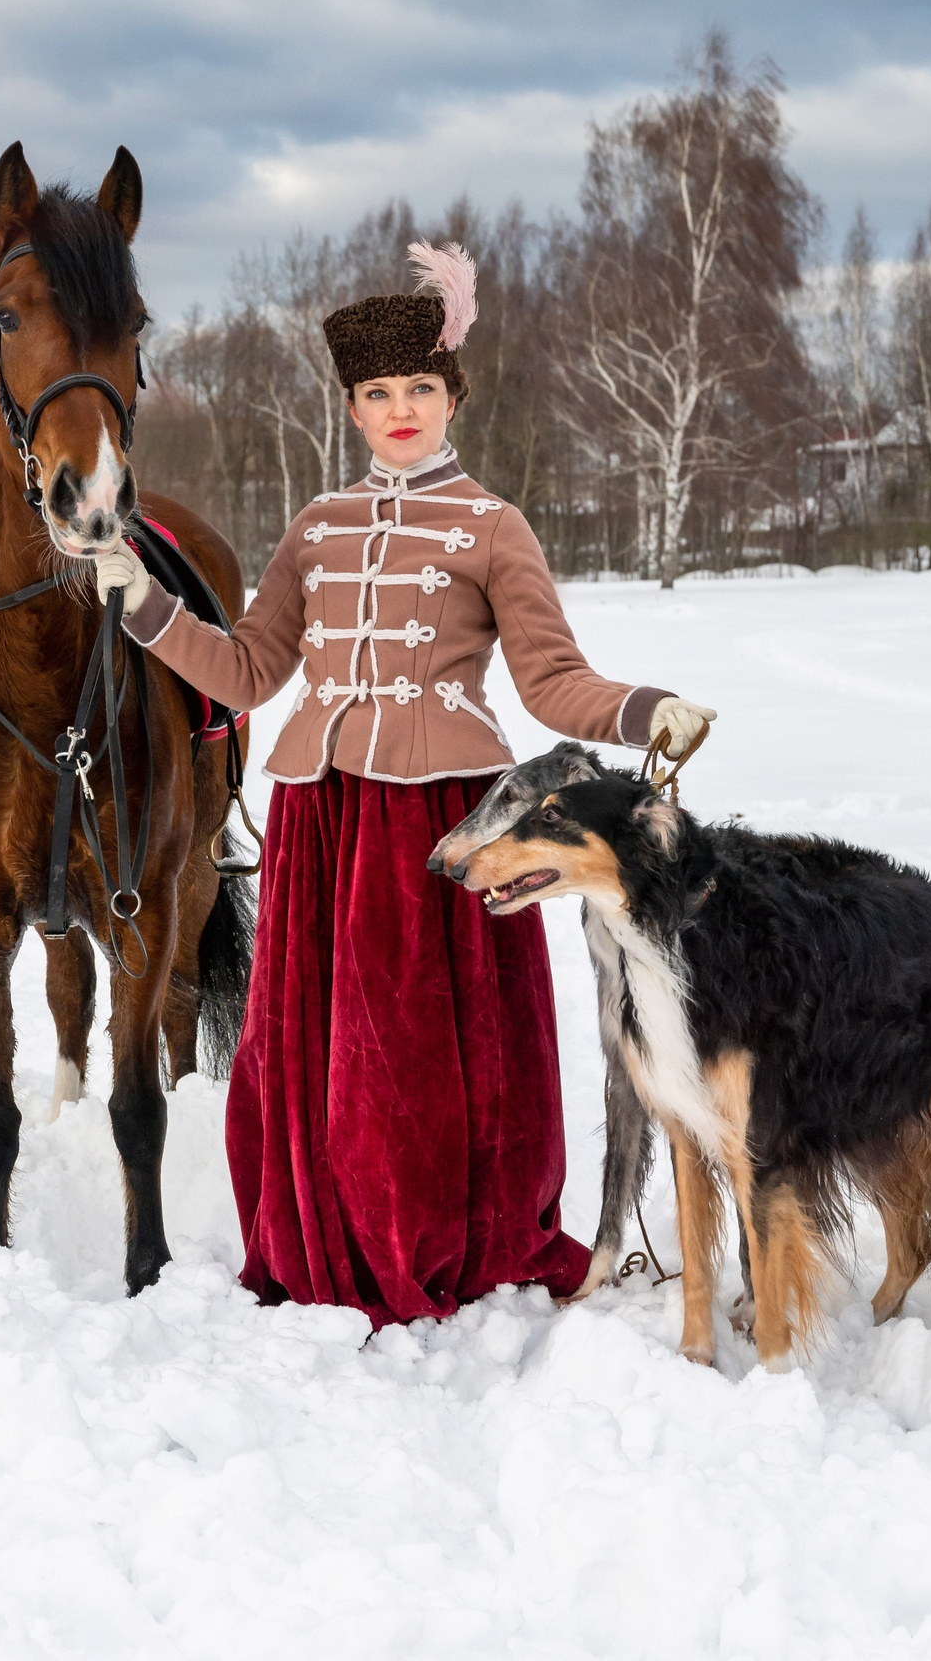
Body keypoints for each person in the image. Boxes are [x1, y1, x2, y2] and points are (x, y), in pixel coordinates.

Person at [93, 242, 715, 1328]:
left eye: (418, 388)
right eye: (377, 393)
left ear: (450, 396)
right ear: (351, 408)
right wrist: (141, 603)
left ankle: (440, 1237)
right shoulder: (318, 528)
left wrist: (643, 710)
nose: (399, 410)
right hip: (319, 818)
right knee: (320, 1053)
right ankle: (328, 1233)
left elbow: (552, 681)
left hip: (446, 824)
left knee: (424, 1056)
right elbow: (245, 672)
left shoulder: (491, 527)